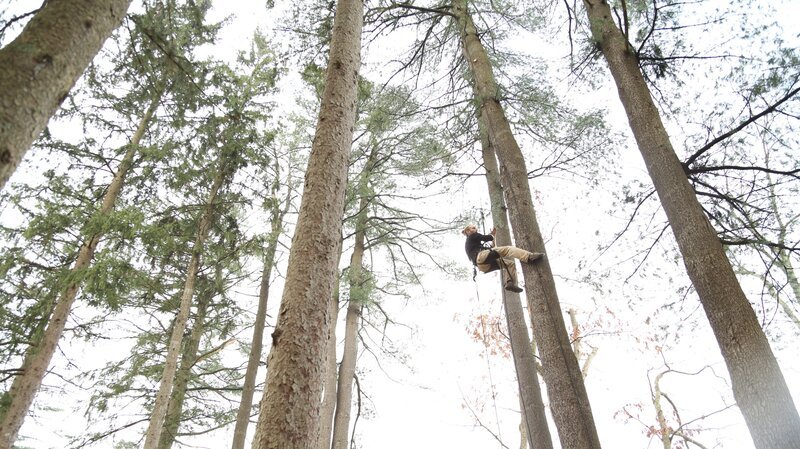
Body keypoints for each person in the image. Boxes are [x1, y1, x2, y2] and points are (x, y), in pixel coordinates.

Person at [462, 224, 544, 293]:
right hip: (481, 257)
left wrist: (493, 236)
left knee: (510, 264)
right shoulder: (472, 236)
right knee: (508, 249)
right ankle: (529, 256)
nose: (475, 229)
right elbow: (487, 238)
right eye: (473, 228)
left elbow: (494, 248)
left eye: (475, 228)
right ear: (468, 231)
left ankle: (510, 283)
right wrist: (491, 235)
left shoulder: (472, 244)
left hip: (482, 266)